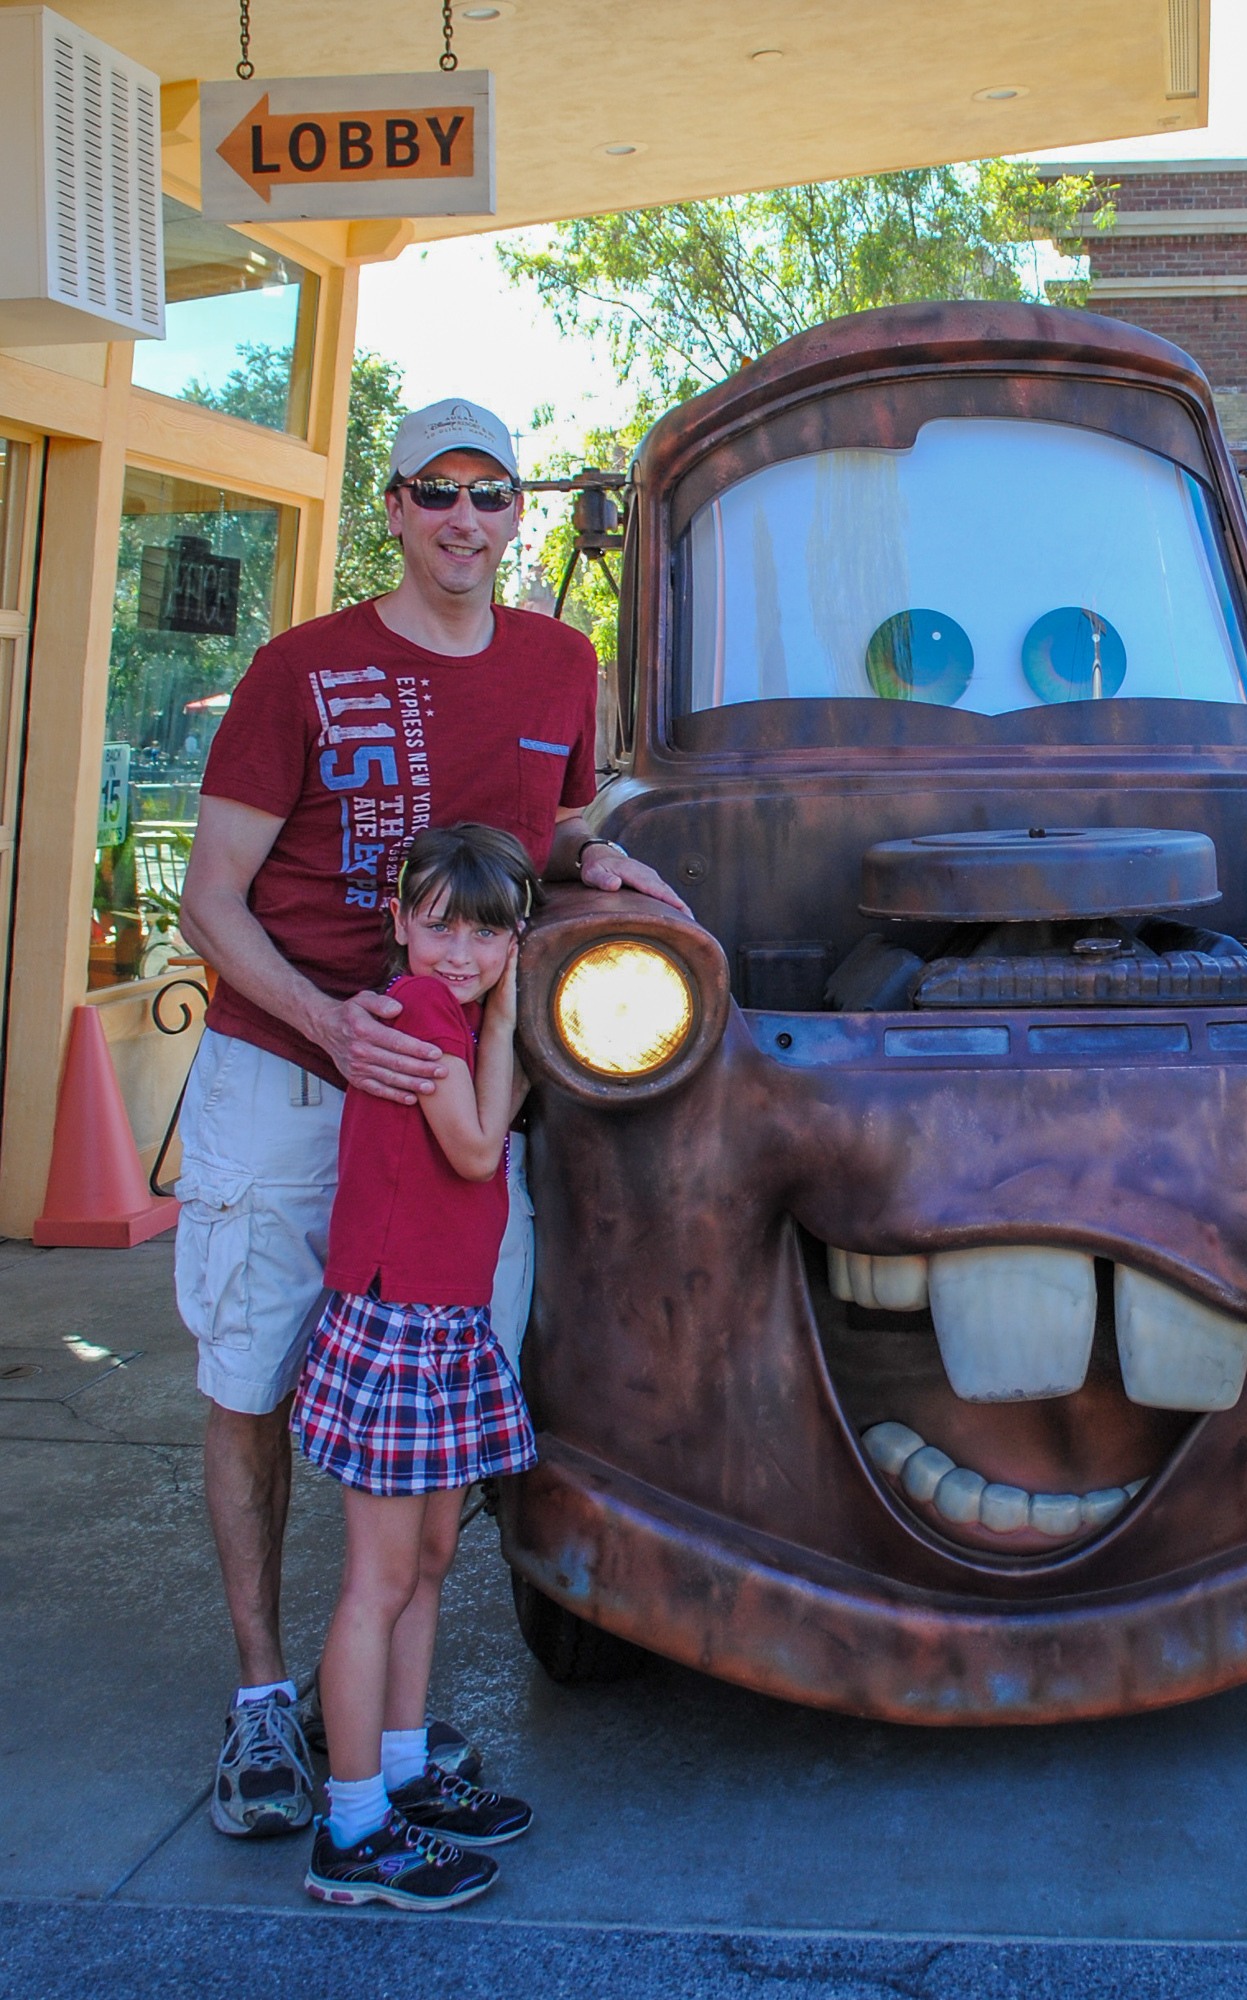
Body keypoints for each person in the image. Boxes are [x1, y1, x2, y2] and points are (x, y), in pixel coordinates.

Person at [175, 397, 690, 1840]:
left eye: (492, 494)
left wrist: (613, 864)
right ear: (391, 510)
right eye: (436, 493)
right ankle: (269, 1702)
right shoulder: (303, 667)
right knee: (252, 1381)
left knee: (441, 1405)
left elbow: (558, 823)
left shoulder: (559, 660)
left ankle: (387, 1733)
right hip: (286, 1081)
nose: (466, 519)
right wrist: (329, 1019)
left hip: (459, 1100)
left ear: (518, 510)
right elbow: (209, 897)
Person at [298, 826, 539, 1911]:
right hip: (401, 1326)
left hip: (439, 1321)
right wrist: (510, 1018)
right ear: (398, 921)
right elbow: (481, 1144)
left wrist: (503, 1011)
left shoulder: (444, 1006)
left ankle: (400, 1768)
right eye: (437, 922)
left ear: (511, 937)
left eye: (486, 930)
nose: (459, 948)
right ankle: (351, 1827)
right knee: (382, 1579)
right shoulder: (426, 1010)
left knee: (432, 1557)